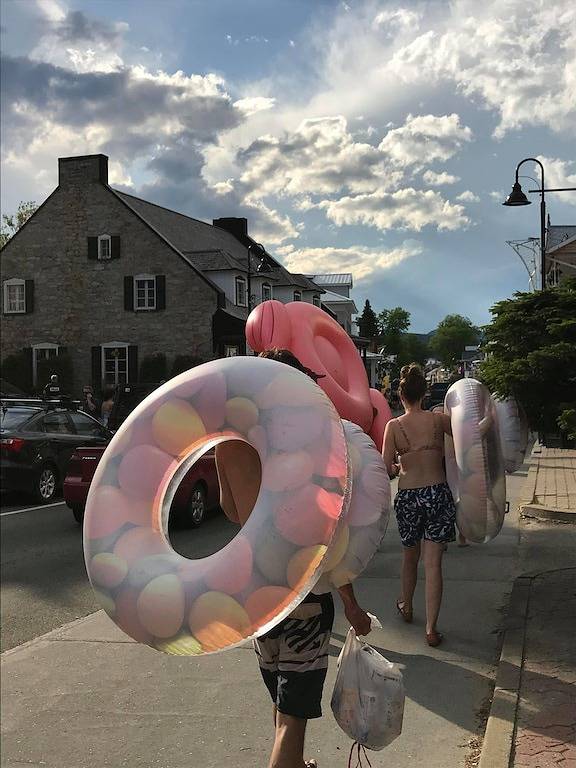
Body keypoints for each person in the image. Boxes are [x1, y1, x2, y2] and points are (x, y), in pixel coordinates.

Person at [215, 348, 372, 768]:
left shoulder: (228, 442)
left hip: (257, 594)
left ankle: (296, 763)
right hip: (304, 592)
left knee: (282, 704)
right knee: (291, 718)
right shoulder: (304, 442)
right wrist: (351, 603)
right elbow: (328, 533)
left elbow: (230, 510)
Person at [382, 363, 456, 647]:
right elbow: (469, 436)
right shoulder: (438, 421)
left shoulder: (393, 426)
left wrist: (398, 465)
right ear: (425, 393)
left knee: (409, 556)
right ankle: (431, 629)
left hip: (409, 497)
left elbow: (386, 466)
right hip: (437, 493)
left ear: (401, 396)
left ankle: (407, 605)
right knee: (433, 564)